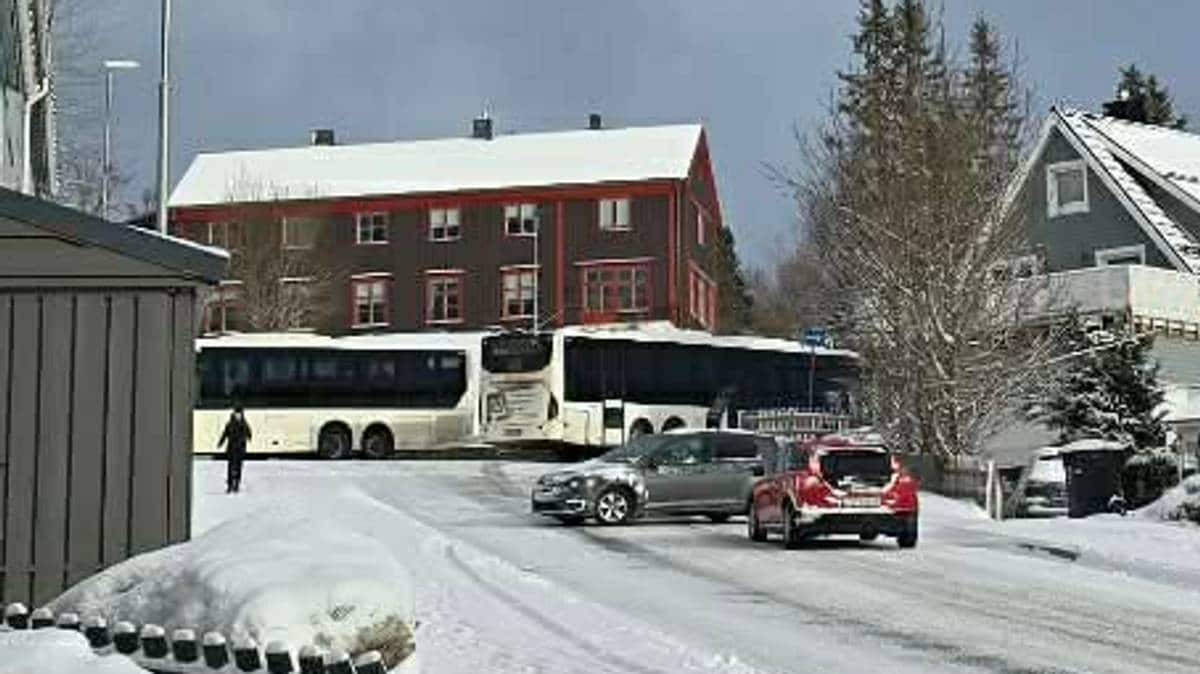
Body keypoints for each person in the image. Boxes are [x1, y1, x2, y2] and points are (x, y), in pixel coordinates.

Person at [217, 405, 252, 493]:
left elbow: (249, 432)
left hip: (240, 449)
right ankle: (230, 485)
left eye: (239, 413)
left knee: (238, 467)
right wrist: (220, 443)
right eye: (236, 413)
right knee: (231, 467)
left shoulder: (244, 423)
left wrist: (248, 438)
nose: (238, 415)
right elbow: (225, 433)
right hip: (232, 448)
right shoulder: (230, 423)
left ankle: (236, 484)